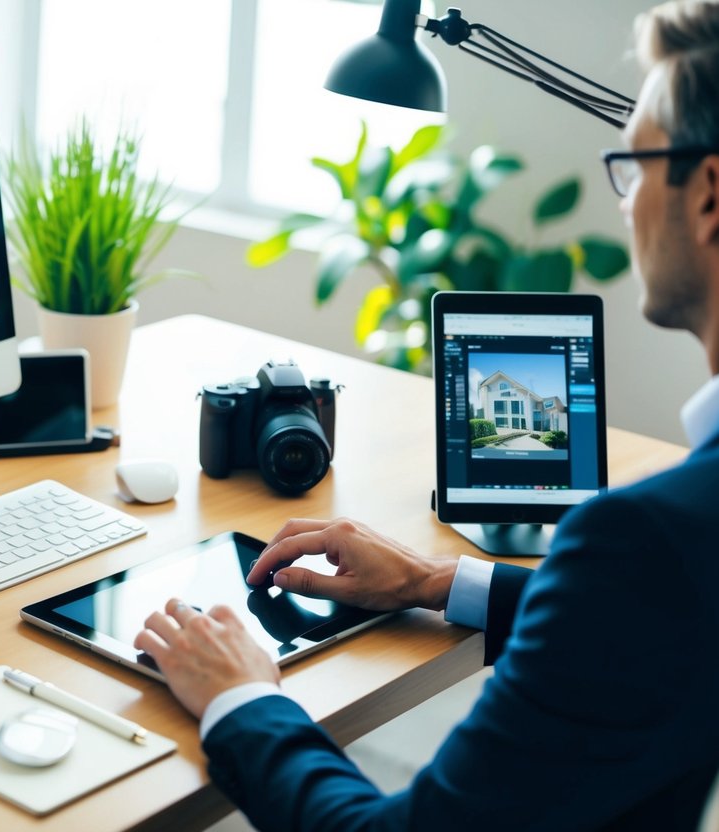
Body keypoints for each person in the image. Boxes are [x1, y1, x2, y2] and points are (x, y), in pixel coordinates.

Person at [134, 3, 719, 829]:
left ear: (707, 195)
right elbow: (647, 621)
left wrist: (239, 696)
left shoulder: (645, 540)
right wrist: (436, 581)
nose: (625, 203)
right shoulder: (669, 549)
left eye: (633, 163)